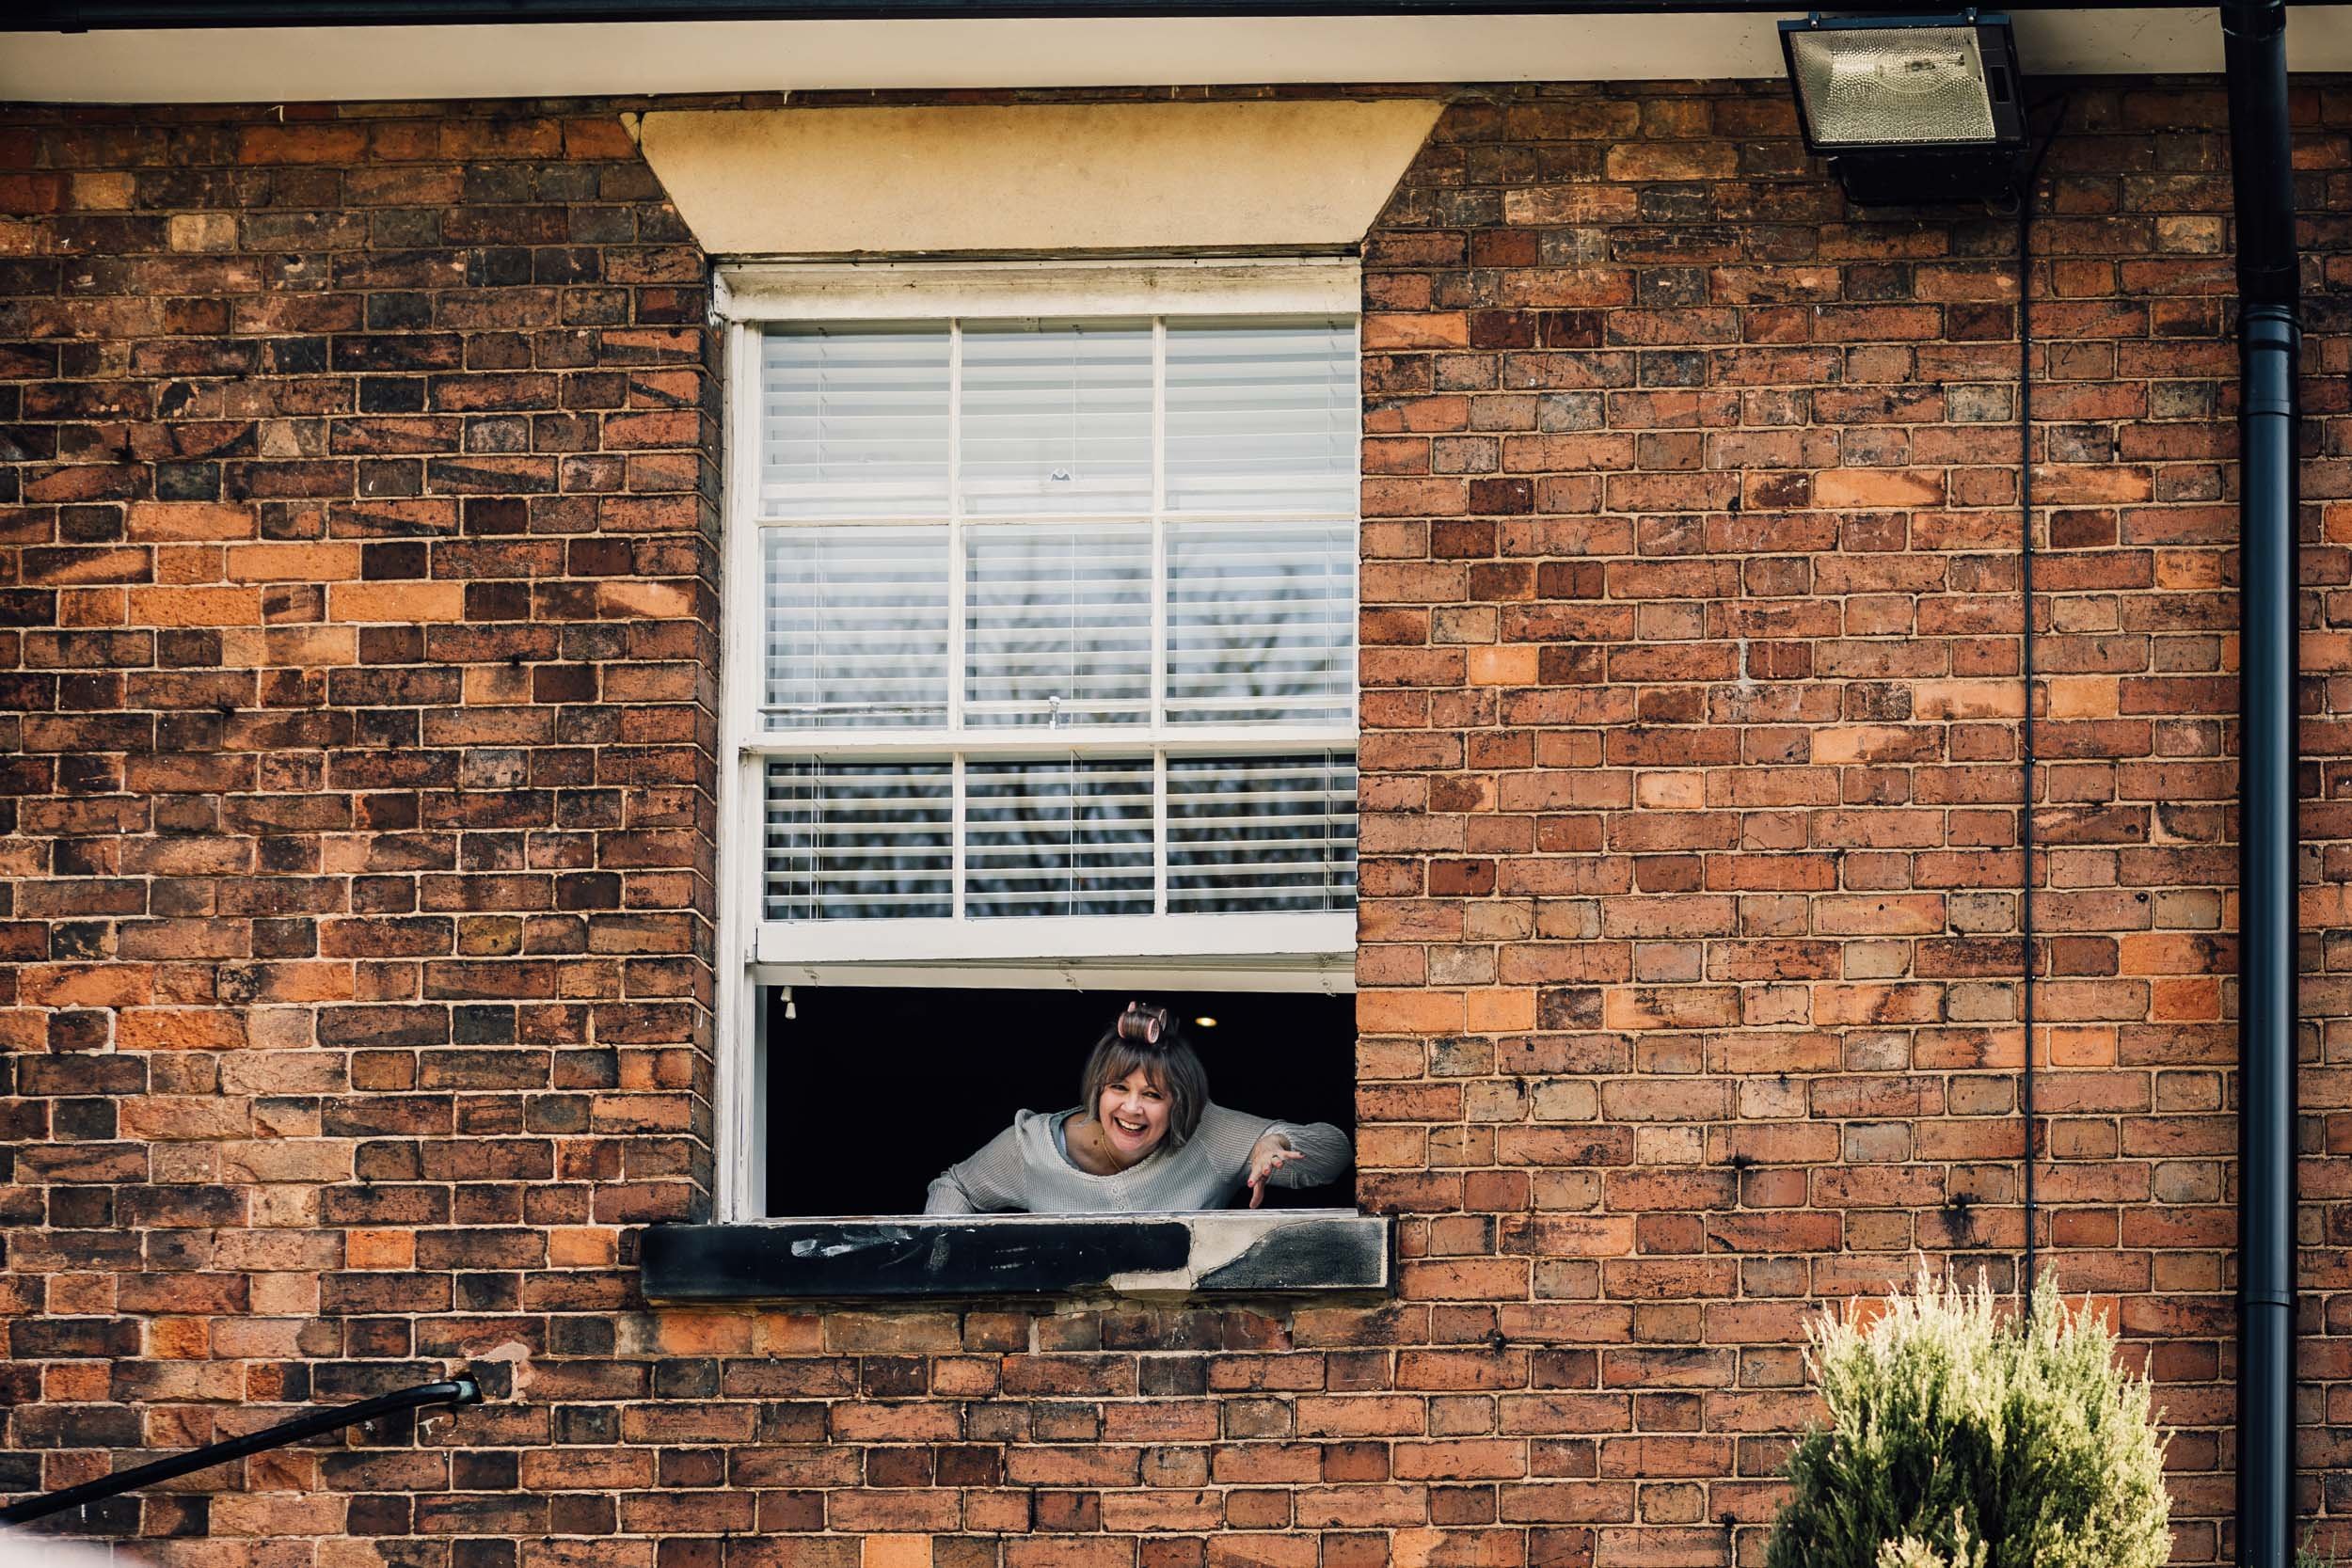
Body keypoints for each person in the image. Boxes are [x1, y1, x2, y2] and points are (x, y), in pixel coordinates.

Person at [923, 1001, 1352, 1214]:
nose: (1132, 1109)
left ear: (1179, 1102)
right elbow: (955, 1187)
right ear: (1096, 1089)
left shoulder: (1210, 1133)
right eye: (1117, 1088)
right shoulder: (1030, 1147)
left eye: (1152, 1095)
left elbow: (1337, 1155)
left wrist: (1273, 1142)